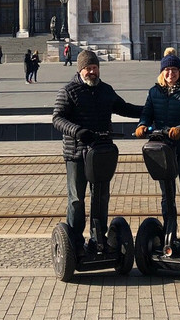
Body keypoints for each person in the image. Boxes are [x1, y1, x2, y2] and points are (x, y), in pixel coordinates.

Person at [52, 50, 141, 254]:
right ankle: (74, 242)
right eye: (88, 68)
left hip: (101, 153)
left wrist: (150, 111)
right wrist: (77, 131)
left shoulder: (105, 90)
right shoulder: (68, 91)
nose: (92, 72)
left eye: (95, 68)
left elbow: (124, 108)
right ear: (80, 70)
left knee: (101, 197)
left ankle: (97, 238)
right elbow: (57, 118)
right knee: (76, 199)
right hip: (76, 153)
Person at [134, 53, 180, 255]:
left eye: (174, 70)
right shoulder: (154, 92)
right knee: (167, 196)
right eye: (167, 70)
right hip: (163, 149)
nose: (170, 73)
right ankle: (169, 235)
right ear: (162, 73)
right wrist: (142, 125)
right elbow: (147, 113)